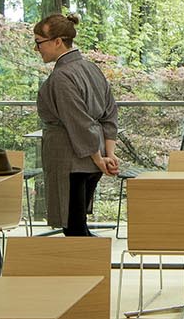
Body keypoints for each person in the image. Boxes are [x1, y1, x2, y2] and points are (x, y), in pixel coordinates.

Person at [33, 14, 120, 237]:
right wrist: (108, 154)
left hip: (71, 160)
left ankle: (92, 269)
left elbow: (77, 122)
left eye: (39, 42)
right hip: (92, 158)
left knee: (73, 229)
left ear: (57, 41)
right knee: (78, 226)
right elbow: (110, 112)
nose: (36, 49)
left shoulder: (62, 76)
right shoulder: (91, 69)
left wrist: (100, 160)